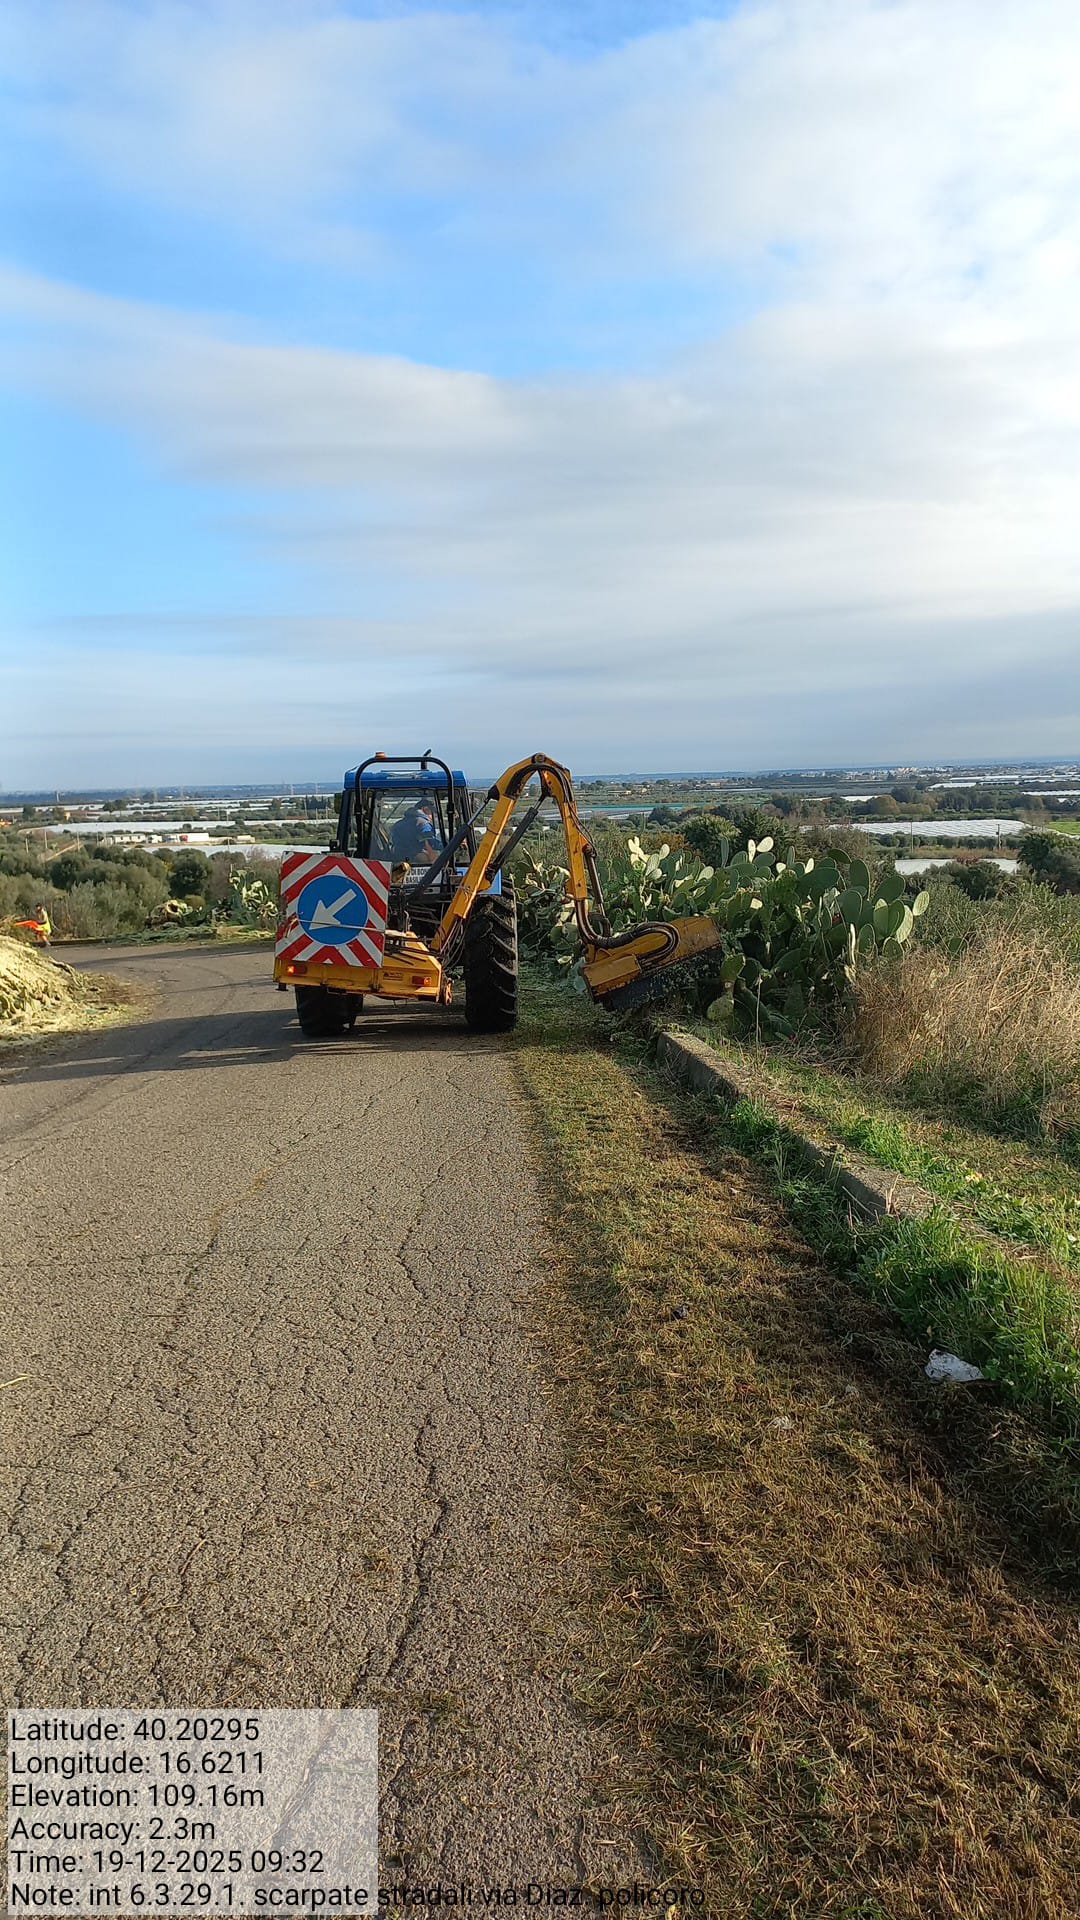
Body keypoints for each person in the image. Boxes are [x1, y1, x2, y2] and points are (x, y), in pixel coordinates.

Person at [391, 800, 441, 865]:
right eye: (432, 813)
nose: (433, 817)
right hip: (416, 859)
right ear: (425, 809)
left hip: (398, 858)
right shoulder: (423, 823)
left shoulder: (398, 824)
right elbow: (429, 844)